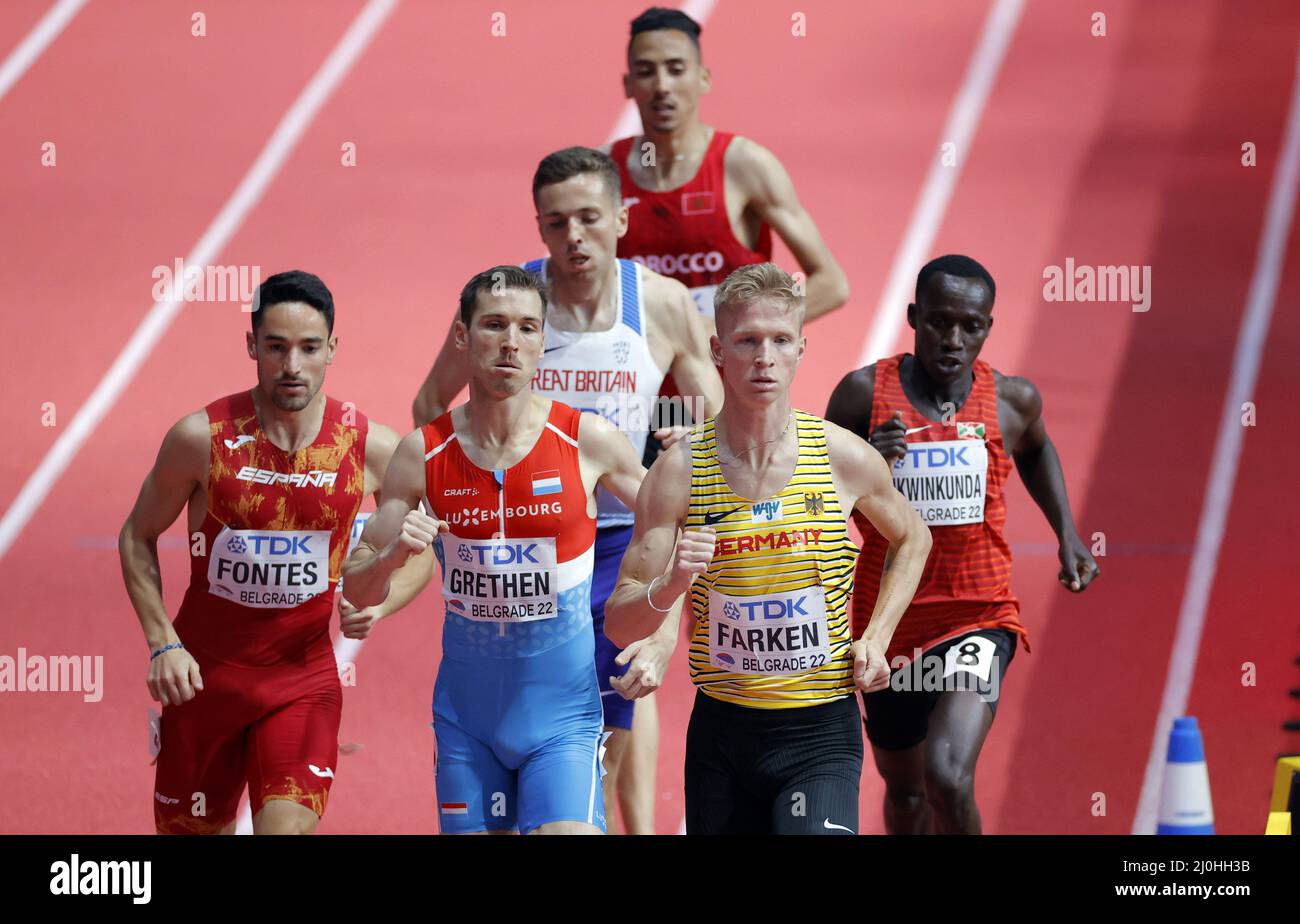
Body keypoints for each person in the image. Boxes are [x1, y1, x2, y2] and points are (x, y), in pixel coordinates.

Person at [411, 148, 722, 833]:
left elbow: (718, 421)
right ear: (539, 228)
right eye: (557, 223)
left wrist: (688, 446)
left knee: (613, 716)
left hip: (622, 541)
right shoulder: (508, 304)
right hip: (524, 539)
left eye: (588, 218)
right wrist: (460, 505)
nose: (573, 236)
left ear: (621, 217)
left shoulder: (662, 305)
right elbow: (431, 402)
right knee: (549, 722)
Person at [605, 263, 931, 835]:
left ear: (802, 349)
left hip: (819, 735)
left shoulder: (842, 458)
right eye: (748, 341)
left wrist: (877, 637)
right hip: (723, 740)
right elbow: (620, 621)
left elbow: (912, 536)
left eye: (780, 340)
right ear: (716, 350)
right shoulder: (676, 474)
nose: (764, 357)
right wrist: (667, 598)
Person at [119, 270, 432, 835]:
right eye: (276, 347)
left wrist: (380, 603)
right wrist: (162, 640)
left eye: (309, 348)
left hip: (302, 681)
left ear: (332, 349)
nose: (293, 366)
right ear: (251, 347)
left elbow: (421, 546)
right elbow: (136, 535)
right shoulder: (201, 438)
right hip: (204, 680)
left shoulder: (372, 448)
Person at [345, 266, 651, 835]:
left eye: (527, 328)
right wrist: (390, 558)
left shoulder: (587, 440)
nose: (511, 342)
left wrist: (657, 631)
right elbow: (357, 587)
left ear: (542, 340)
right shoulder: (422, 455)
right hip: (468, 724)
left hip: (565, 719)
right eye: (493, 325)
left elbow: (672, 520)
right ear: (462, 336)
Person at [825, 253, 1100, 835]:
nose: (953, 339)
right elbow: (819, 497)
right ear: (913, 317)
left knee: (947, 777)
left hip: (977, 613)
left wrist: (1067, 535)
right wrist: (869, 460)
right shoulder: (859, 396)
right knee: (905, 793)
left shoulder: (1012, 400)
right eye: (939, 321)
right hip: (886, 621)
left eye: (970, 326)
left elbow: (1035, 450)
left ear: (988, 327)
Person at [605, 7, 849, 323]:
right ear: (628, 84)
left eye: (676, 69)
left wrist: (744, 330)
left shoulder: (745, 165)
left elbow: (830, 284)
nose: (662, 85)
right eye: (646, 71)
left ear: (703, 78)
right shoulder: (601, 174)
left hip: (726, 369)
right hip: (640, 371)